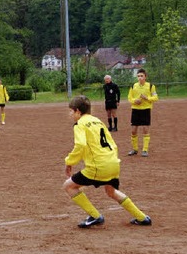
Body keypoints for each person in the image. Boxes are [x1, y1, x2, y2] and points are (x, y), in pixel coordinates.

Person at [62, 95, 152, 228]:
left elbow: (80, 145)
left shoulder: (79, 124)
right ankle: (142, 217)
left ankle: (95, 216)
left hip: (99, 166)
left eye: (71, 111)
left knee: (68, 186)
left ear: (78, 111)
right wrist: (112, 161)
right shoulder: (98, 121)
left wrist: (69, 161)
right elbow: (112, 143)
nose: (70, 114)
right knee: (111, 192)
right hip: (113, 163)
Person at [127, 69, 158, 157]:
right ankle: (134, 149)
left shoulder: (151, 86)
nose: (140, 78)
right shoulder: (133, 86)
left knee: (145, 130)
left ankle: (145, 150)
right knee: (133, 131)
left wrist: (147, 98)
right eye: (138, 76)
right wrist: (134, 101)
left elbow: (155, 97)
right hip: (135, 110)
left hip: (146, 110)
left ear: (145, 77)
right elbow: (129, 98)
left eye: (141, 76)